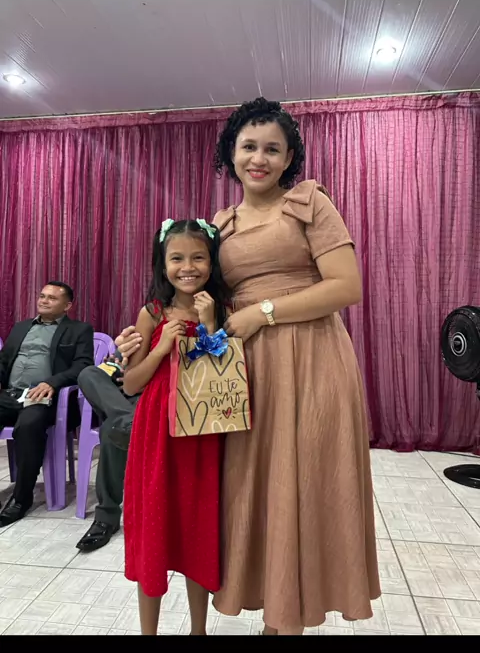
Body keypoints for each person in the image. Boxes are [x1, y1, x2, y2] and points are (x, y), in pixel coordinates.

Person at [115, 98, 381, 635]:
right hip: (244, 371)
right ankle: (274, 608)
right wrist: (139, 338)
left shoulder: (310, 203)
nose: (259, 159)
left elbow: (346, 286)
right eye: (249, 147)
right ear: (230, 154)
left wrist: (264, 312)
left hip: (310, 360)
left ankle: (288, 622)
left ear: (289, 158)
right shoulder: (221, 225)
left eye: (273, 149)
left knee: (304, 482)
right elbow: (194, 292)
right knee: (257, 489)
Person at [122, 219, 230, 636]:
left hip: (202, 433)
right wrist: (161, 347)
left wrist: (211, 324)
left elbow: (225, 373)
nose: (188, 267)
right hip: (157, 433)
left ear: (211, 263)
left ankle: (198, 630)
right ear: (162, 264)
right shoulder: (151, 313)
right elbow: (131, 383)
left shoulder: (221, 309)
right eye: (177, 258)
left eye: (198, 257)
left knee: (198, 528)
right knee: (154, 527)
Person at [0, 281, 94, 527]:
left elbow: (83, 365)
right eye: (42, 296)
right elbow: (4, 361)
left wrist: (52, 382)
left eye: (52, 298)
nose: (44, 301)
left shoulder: (79, 330)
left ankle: (21, 499)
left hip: (45, 398)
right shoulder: (21, 327)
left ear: (67, 306)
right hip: (10, 394)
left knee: (28, 426)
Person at [75, 344, 141, 552]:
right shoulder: (137, 333)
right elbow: (112, 365)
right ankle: (127, 421)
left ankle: (106, 518)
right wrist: (114, 365)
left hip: (150, 395)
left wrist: (138, 378)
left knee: (111, 429)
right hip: (120, 399)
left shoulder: (180, 332)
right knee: (88, 373)